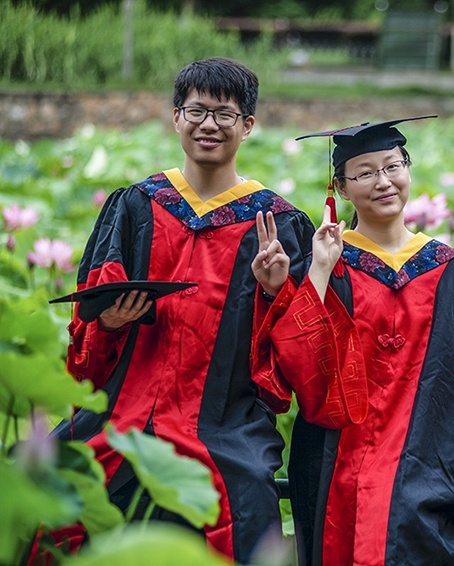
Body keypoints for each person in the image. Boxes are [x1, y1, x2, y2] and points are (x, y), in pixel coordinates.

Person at [41, 57, 315, 563]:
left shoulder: (277, 225)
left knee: (247, 503)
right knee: (51, 494)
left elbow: (295, 367)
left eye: (225, 114)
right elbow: (84, 346)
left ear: (247, 126)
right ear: (175, 118)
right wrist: (109, 322)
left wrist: (278, 291)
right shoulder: (135, 206)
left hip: (226, 424)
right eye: (196, 110)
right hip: (126, 409)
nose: (208, 124)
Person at [258, 116, 454, 565]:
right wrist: (318, 273)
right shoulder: (325, 264)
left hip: (426, 462)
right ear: (342, 188)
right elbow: (299, 372)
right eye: (365, 172)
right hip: (337, 461)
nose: (383, 182)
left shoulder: (448, 269)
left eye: (393, 166)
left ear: (408, 169)